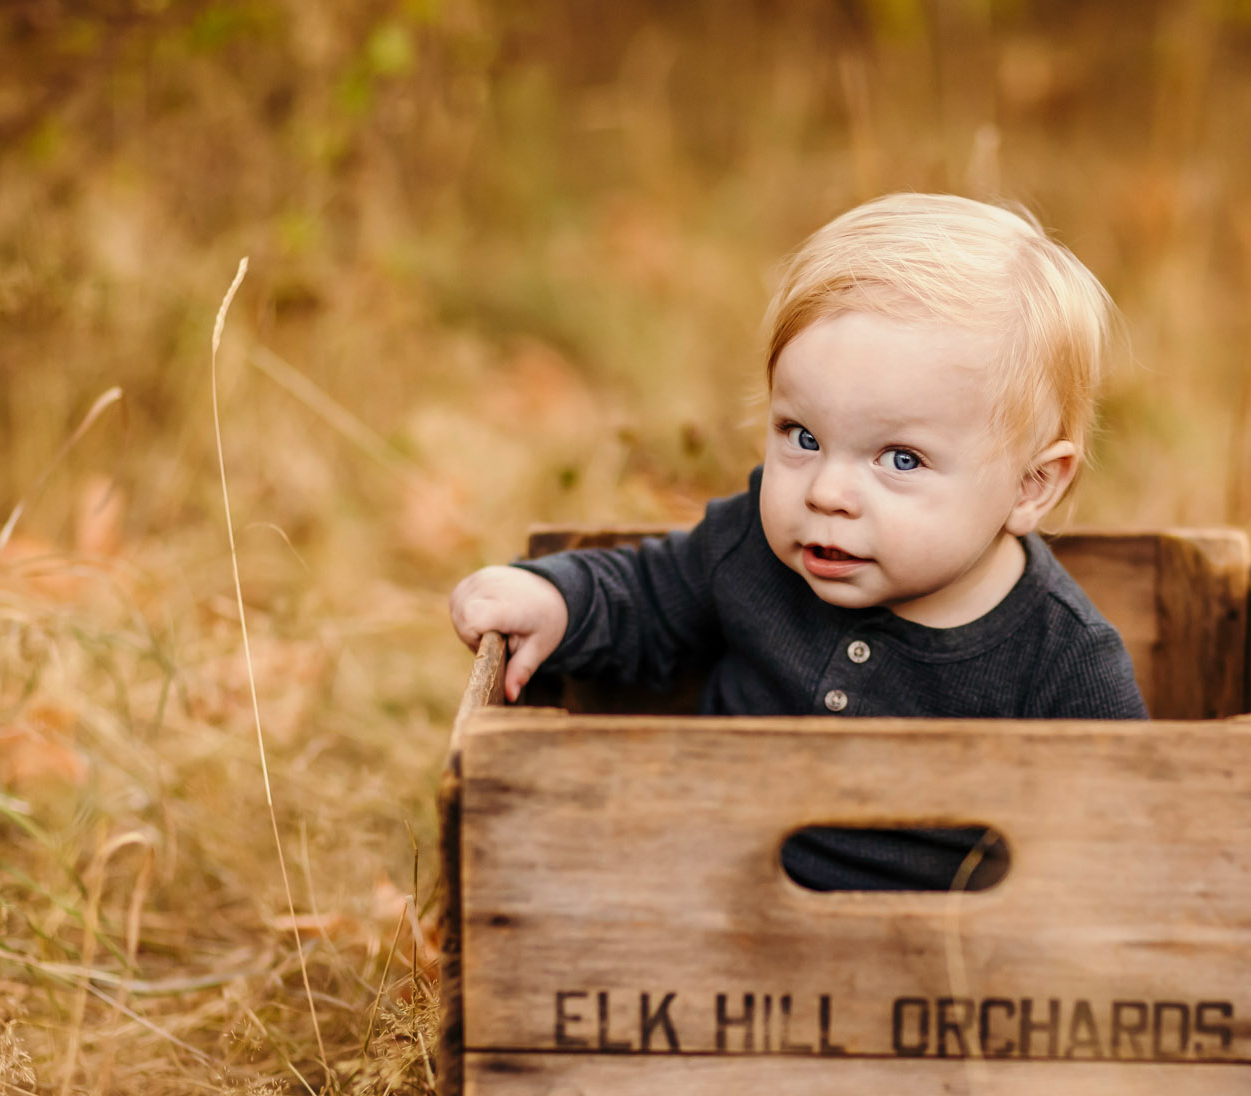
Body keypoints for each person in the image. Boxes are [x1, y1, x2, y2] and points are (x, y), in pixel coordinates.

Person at [448, 192, 1146, 890]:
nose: (827, 492)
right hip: (703, 903)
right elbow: (650, 596)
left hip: (931, 966)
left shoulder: (1062, 658)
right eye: (803, 437)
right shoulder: (755, 545)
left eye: (899, 458)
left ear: (1031, 485)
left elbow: (1131, 831)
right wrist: (557, 599)